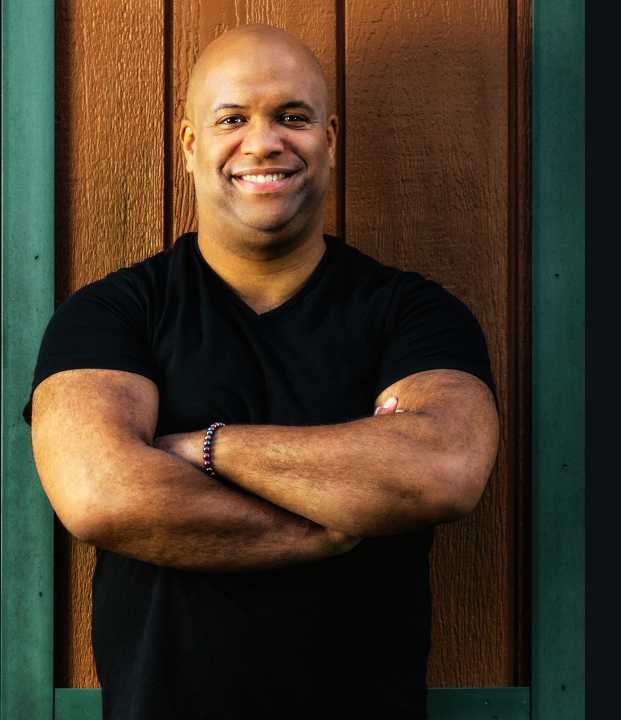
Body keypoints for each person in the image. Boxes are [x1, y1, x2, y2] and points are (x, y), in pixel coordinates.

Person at [28, 23, 499, 720]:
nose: (263, 141)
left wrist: (199, 447)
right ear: (190, 146)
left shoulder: (414, 315)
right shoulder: (112, 314)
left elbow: (445, 468)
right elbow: (100, 491)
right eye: (233, 119)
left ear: (330, 140)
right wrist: (334, 517)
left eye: (292, 117)